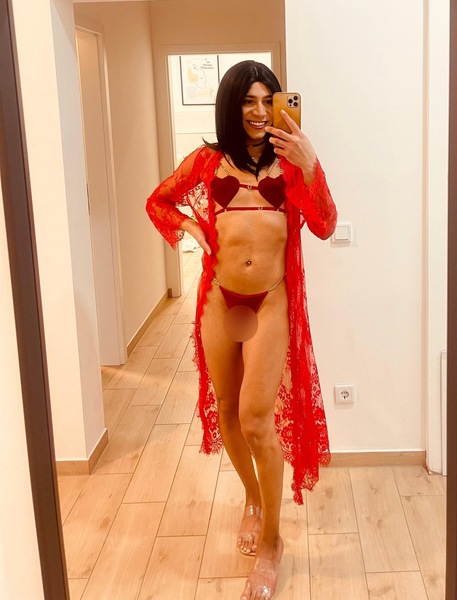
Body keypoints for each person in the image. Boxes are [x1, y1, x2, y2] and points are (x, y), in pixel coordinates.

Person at [146, 60, 337, 600]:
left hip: (271, 302)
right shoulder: (207, 162)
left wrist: (311, 164)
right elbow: (158, 201)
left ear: (279, 105)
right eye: (247, 101)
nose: (258, 112)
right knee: (228, 410)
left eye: (266, 100)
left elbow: (324, 223)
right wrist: (188, 225)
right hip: (218, 299)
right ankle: (252, 497)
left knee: (256, 419)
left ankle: (272, 541)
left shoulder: (292, 164)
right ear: (232, 106)